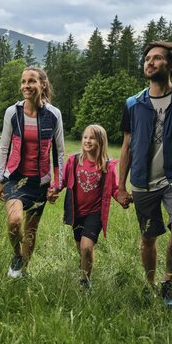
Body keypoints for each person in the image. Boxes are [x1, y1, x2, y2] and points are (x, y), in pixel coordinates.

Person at [118, 41, 172, 309]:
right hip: (143, 181)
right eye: (147, 58)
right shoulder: (133, 103)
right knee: (148, 237)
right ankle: (150, 285)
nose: (149, 62)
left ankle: (168, 282)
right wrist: (121, 186)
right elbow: (126, 145)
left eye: (157, 58)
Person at [0, 66, 64, 278]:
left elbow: (59, 153)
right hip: (15, 178)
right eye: (24, 82)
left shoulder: (54, 115)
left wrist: (56, 185)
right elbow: (4, 147)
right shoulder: (12, 112)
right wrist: (0, 178)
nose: (26, 86)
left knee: (31, 231)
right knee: (14, 221)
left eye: (31, 81)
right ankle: (17, 255)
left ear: (42, 85)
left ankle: (23, 272)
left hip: (40, 183)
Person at [48, 124, 128, 289]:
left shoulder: (107, 166)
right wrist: (53, 190)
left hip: (95, 213)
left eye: (92, 138)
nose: (87, 141)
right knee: (81, 247)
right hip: (76, 212)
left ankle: (85, 282)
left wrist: (122, 199)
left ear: (100, 141)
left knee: (86, 247)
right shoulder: (74, 160)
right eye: (85, 137)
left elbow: (114, 189)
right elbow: (61, 181)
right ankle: (86, 264)